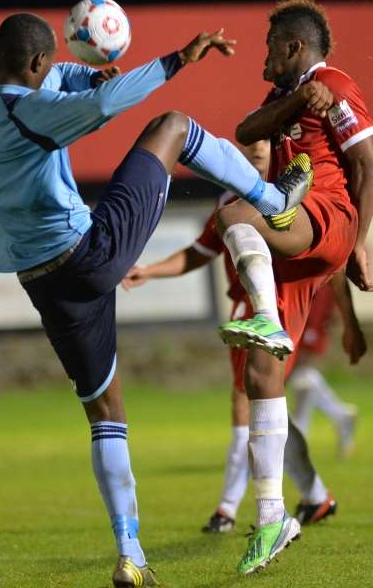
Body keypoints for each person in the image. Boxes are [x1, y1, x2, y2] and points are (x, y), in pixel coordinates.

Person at [0, 12, 312, 588]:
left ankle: (131, 554)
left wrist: (88, 73)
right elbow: (104, 109)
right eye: (48, 63)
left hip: (42, 280)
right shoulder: (33, 112)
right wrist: (177, 59)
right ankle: (272, 195)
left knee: (105, 416)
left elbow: (65, 81)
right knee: (174, 125)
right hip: (90, 253)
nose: (53, 69)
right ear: (34, 63)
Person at [122, 139, 366, 533]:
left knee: (246, 408)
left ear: (279, 149)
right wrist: (149, 270)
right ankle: (316, 495)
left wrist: (349, 323)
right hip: (248, 314)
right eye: (247, 142)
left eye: (264, 142)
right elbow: (201, 251)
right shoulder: (230, 201)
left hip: (275, 314)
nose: (255, 148)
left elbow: (333, 262)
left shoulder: (293, 197)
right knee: (269, 412)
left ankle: (227, 510)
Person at [212, 0, 373, 574]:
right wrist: (295, 104)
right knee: (262, 371)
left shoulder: (334, 82)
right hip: (299, 245)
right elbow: (244, 129)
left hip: (328, 211)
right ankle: (275, 514)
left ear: (293, 48)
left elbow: (367, 162)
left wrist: (358, 240)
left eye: (269, 45)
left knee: (235, 215)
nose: (263, 54)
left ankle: (290, 197)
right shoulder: (288, 97)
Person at [289, 276, 366, 458]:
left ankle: (301, 437)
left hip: (310, 314)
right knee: (302, 378)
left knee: (301, 373)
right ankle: (339, 416)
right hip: (305, 312)